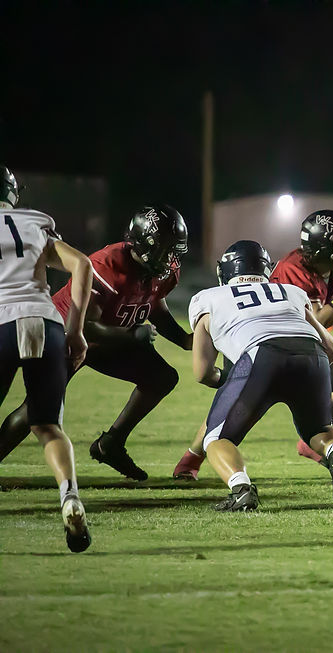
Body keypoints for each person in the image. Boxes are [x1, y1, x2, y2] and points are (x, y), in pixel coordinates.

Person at [172, 209, 333, 479]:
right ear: (323, 246)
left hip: (277, 342)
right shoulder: (293, 270)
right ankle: (193, 457)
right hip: (255, 335)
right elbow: (320, 319)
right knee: (230, 406)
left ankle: (313, 434)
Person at [0, 205, 191, 481]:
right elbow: (86, 327)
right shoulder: (109, 264)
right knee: (35, 411)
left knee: (162, 377)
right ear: (145, 245)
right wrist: (130, 336)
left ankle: (110, 444)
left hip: (109, 340)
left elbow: (154, 302)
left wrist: (184, 339)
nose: (171, 258)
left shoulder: (159, 272)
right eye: (166, 249)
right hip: (67, 335)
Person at [189, 240, 333, 511]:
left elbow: (202, 373)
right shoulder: (289, 292)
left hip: (260, 356)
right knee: (318, 430)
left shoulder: (207, 299)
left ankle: (241, 490)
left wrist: (235, 381)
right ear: (267, 268)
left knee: (217, 439)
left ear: (225, 271)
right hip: (313, 356)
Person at [0, 166, 93, 551]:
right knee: (47, 426)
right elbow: (82, 264)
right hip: (45, 320)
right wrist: (75, 330)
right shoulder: (34, 221)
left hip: (1, 320)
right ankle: (69, 496)